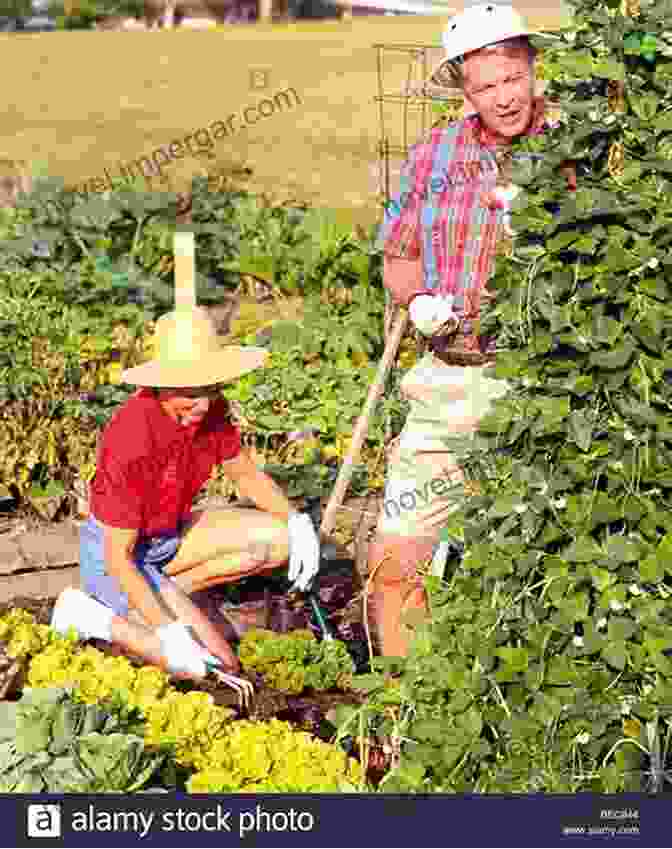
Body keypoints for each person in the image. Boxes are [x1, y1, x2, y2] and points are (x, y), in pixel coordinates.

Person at [366, 3, 576, 657]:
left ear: (532, 68)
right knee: (393, 567)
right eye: (486, 86)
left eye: (513, 78)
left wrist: (544, 224)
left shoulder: (570, 148)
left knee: (525, 572)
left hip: (536, 387)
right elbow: (396, 254)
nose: (504, 97)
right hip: (444, 384)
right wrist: (419, 297)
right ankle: (408, 718)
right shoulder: (436, 153)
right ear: (464, 89)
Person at [51, 300, 321, 695]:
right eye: (190, 392)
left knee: (278, 539)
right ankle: (89, 615)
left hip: (169, 541)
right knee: (211, 666)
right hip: (118, 557)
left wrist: (298, 522)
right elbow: (118, 558)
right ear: (161, 384)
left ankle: (166, 599)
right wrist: (170, 631)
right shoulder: (131, 436)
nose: (204, 403)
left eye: (210, 388)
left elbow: (244, 472)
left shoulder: (209, 412)